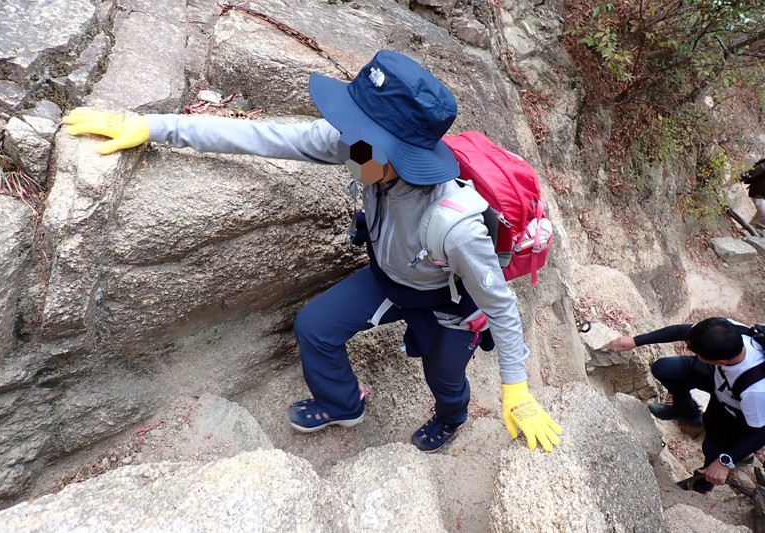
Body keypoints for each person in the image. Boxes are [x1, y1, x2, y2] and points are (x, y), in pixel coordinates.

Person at [63, 49, 562, 453]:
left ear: (395, 152)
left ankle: (451, 417)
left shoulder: (457, 226)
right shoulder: (363, 150)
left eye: (355, 131)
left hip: (448, 305)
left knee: (444, 375)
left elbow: (500, 304)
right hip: (391, 280)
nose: (343, 140)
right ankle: (344, 404)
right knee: (315, 327)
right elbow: (264, 137)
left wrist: (515, 390)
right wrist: (154, 127)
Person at [606, 317, 765, 492]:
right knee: (666, 368)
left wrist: (724, 461)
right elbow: (681, 331)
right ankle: (686, 411)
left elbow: (759, 433)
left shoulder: (755, 390)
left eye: (699, 356)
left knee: (712, 448)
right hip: (720, 379)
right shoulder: (727, 331)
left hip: (734, 409)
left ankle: (702, 484)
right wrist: (635, 341)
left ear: (720, 361)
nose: (695, 356)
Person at [741, 157, 765, 236]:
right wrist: (737, 178)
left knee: (761, 215)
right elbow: (750, 173)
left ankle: (750, 230)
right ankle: (749, 231)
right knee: (763, 214)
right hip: (758, 194)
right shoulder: (763, 165)